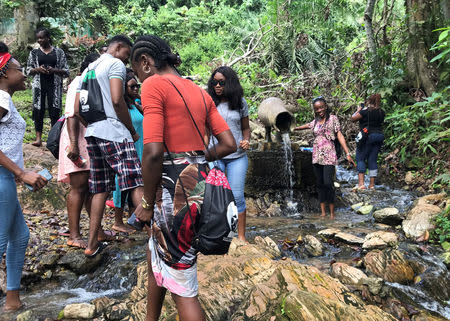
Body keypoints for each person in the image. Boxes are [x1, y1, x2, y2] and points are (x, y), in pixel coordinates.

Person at [130, 35, 236, 321]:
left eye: (137, 73)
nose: (139, 80)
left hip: (171, 191)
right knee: (160, 254)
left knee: (184, 289)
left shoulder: (153, 84)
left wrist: (148, 202)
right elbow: (228, 143)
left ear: (146, 62)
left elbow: (152, 152)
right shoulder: (200, 93)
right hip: (204, 185)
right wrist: (197, 159)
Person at [70, 35, 145, 257]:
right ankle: (156, 237)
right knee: (136, 180)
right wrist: (131, 130)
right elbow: (116, 99)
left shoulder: (88, 69)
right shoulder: (115, 64)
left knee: (100, 188)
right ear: (119, 47)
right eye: (127, 53)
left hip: (93, 134)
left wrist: (93, 125)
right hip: (115, 132)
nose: (128, 59)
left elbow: (76, 109)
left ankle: (91, 244)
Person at [0, 42, 48, 311]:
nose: (24, 74)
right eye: (19, 69)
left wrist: (20, 174)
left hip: (6, 178)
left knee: (19, 237)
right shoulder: (1, 97)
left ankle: (12, 300)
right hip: (2, 178)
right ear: (5, 72)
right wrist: (20, 172)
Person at [57, 53, 99, 249]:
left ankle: (96, 231)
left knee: (91, 187)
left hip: (86, 137)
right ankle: (74, 234)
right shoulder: (80, 81)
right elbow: (71, 114)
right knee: (79, 185)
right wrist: (74, 144)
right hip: (77, 136)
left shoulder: (91, 83)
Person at [207, 66, 250, 242]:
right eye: (214, 82)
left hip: (237, 157)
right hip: (214, 155)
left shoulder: (240, 102)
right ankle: (217, 236)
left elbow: (246, 128)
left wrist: (246, 140)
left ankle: (240, 237)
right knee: (213, 197)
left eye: (222, 82)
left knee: (237, 196)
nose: (217, 85)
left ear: (230, 83)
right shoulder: (208, 101)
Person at [294, 96, 355, 219]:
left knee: (328, 183)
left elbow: (339, 135)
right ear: (314, 110)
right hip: (317, 156)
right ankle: (323, 213)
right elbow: (306, 126)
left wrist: (347, 153)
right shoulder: (315, 121)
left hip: (329, 156)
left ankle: (332, 214)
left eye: (321, 107)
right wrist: (293, 127)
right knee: (320, 184)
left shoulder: (333, 119)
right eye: (317, 108)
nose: (320, 110)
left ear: (326, 106)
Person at [111, 71, 144, 233]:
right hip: (124, 150)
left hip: (139, 150)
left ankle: (133, 219)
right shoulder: (119, 107)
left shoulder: (134, 104)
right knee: (121, 186)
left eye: (137, 86)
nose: (136, 88)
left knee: (136, 185)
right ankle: (118, 221)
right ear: (123, 88)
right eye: (132, 86)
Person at [26, 28, 69, 147]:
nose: (40, 40)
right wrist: (37, 69)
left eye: (42, 38)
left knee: (54, 111)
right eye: (38, 38)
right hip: (39, 87)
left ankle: (53, 139)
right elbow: (28, 70)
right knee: (38, 111)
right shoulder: (34, 53)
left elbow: (66, 71)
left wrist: (54, 70)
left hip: (55, 87)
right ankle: (38, 139)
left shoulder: (59, 52)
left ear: (48, 38)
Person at [351, 94, 385, 190]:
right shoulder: (382, 112)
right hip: (379, 137)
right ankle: (372, 185)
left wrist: (358, 110)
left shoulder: (365, 111)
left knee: (360, 158)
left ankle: (361, 184)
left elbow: (353, 118)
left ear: (369, 101)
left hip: (367, 137)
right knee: (372, 160)